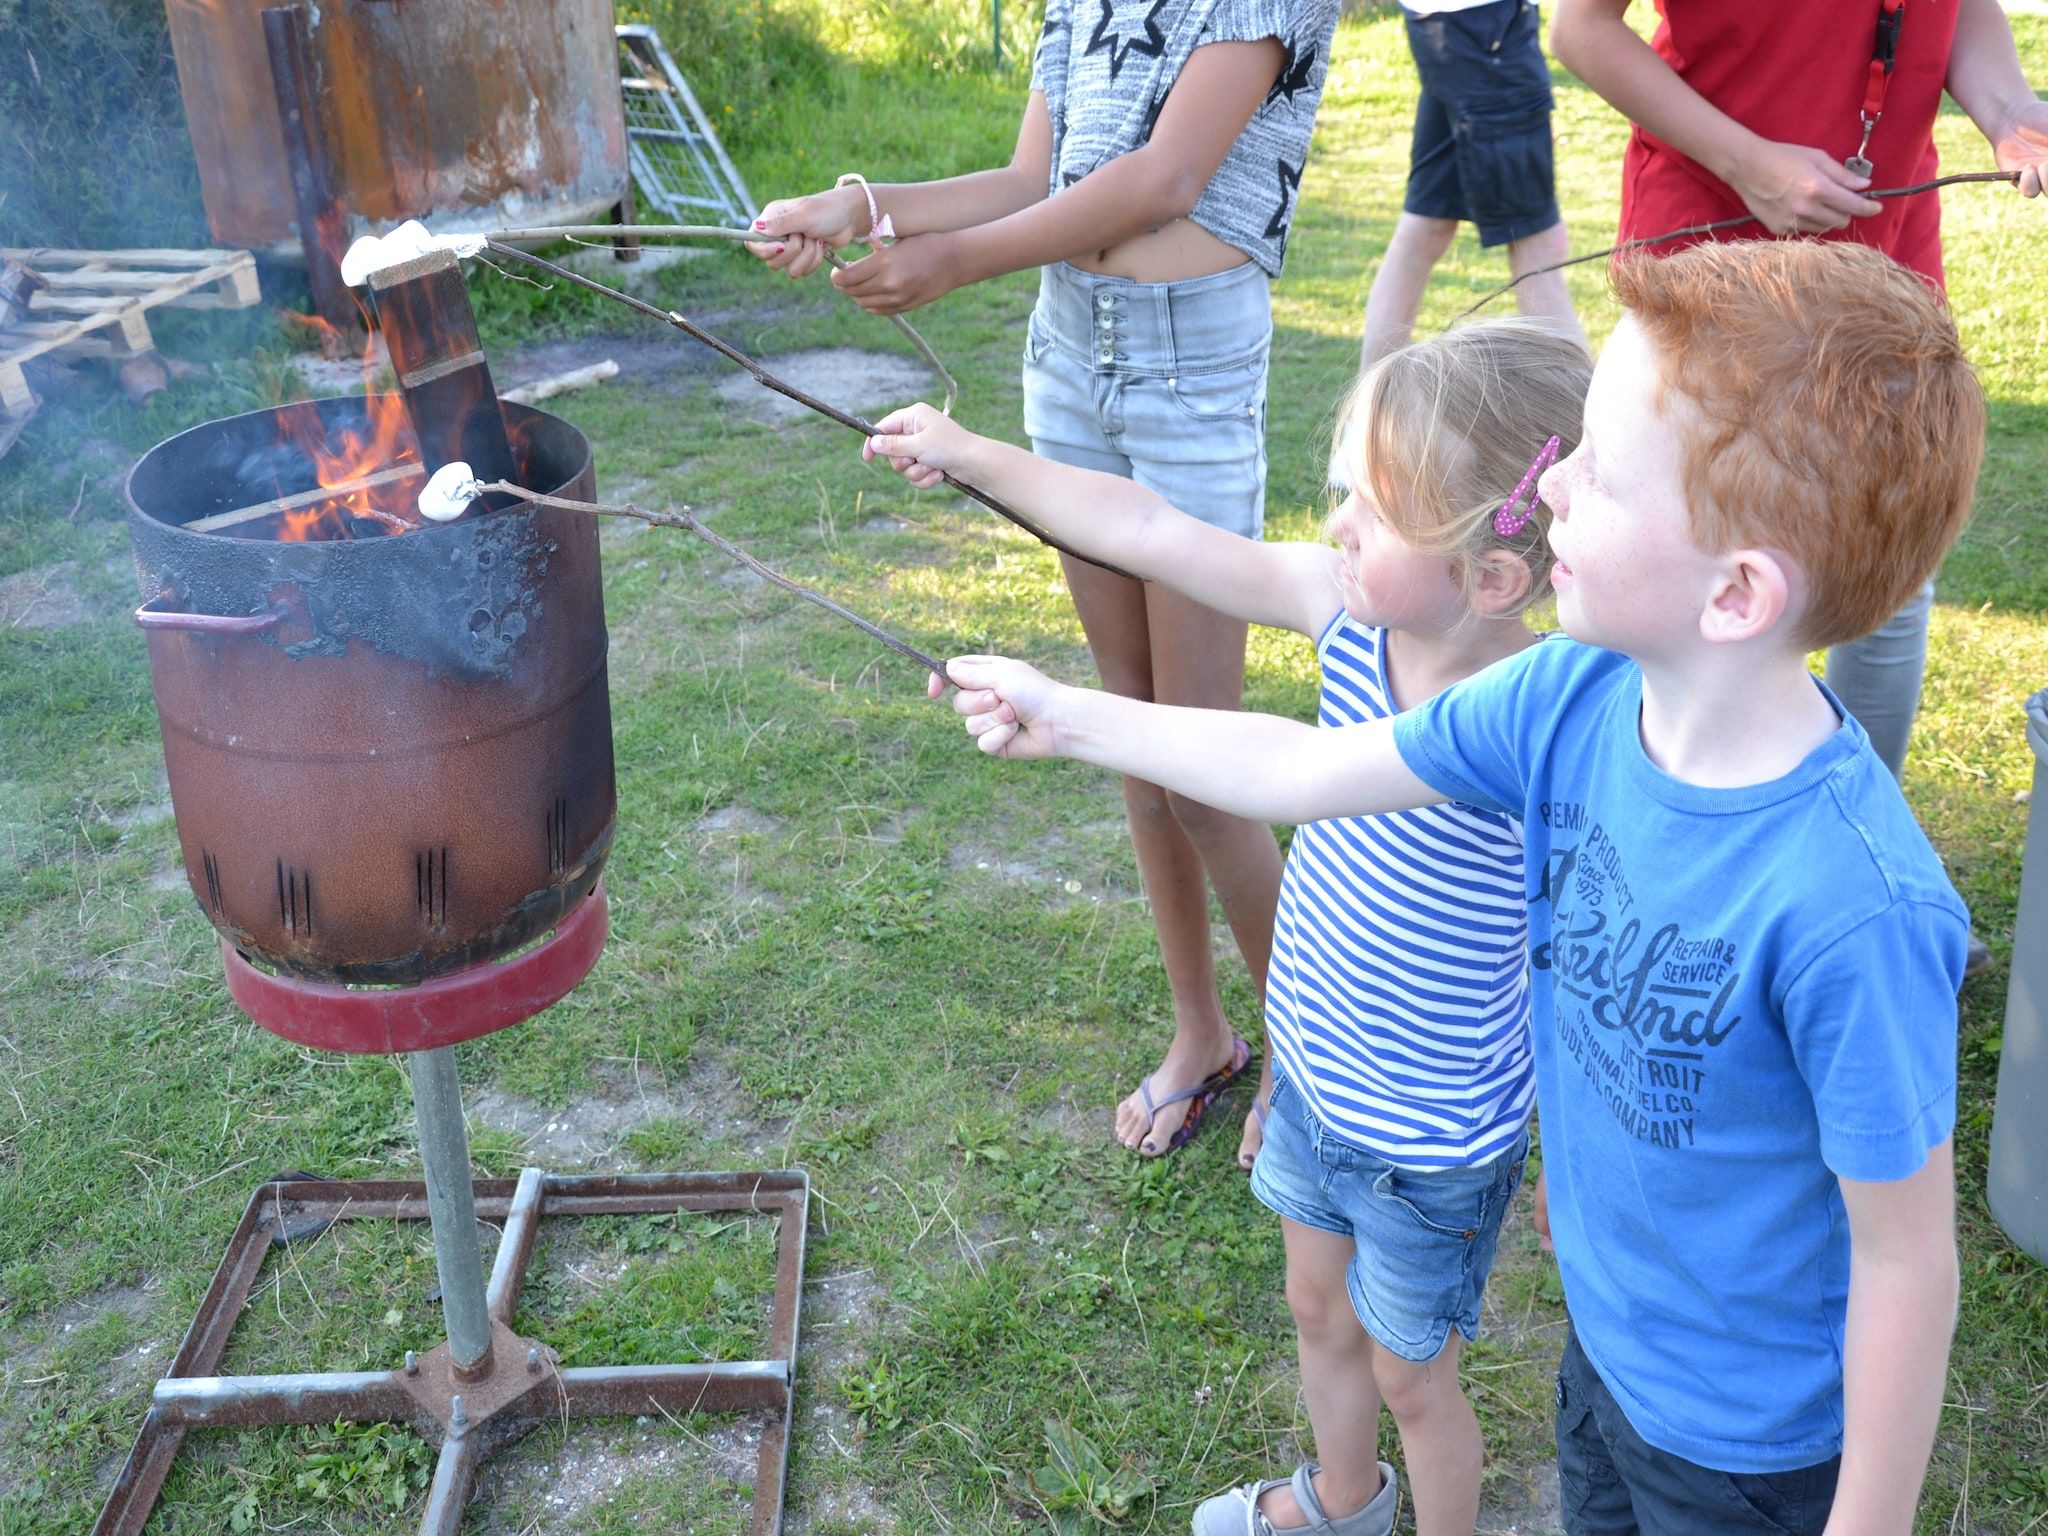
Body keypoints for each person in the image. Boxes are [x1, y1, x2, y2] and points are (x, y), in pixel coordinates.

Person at [930, 238, 1981, 1534]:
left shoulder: (1855, 908)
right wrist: (1067, 715)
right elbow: (1298, 769)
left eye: (1599, 470)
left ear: (1735, 593)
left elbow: (1903, 1256)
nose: (1551, 489)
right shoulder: (1565, 701)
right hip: (1602, 1355)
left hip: (1745, 1445)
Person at [863, 318, 1591, 1536]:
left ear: (1492, 579)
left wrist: (1563, 1147)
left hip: (1429, 1138)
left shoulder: (1527, 718)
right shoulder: (1346, 613)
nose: (1336, 525)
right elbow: (1153, 531)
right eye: (1342, 493)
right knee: (1315, 1310)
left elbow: (1560, 949)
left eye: (1371, 510)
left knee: (1413, 1377)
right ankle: (1342, 1503)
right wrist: (974, 454)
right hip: (1312, 1080)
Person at [749, 0, 1347, 1164]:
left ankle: (1312, 1057)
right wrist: (860, 207)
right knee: (1130, 740)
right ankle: (1201, 1035)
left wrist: (953, 263)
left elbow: (1168, 179)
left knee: (1204, 773)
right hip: (1069, 358)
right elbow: (1031, 176)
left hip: (1187, 366)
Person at [1549, 0, 2048, 969]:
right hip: (1713, 255)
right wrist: (1746, 162)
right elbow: (1580, 29)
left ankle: (1851, 864)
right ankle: (1650, 869)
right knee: (1670, 587)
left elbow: (1963, 13)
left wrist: (2008, 111)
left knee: (1885, 581)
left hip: (1878, 264)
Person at [1358, 1, 1588, 369]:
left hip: (1460, 26)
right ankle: (1580, 404)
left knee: (1427, 226)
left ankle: (1370, 401)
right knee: (1537, 242)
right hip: (1483, 27)